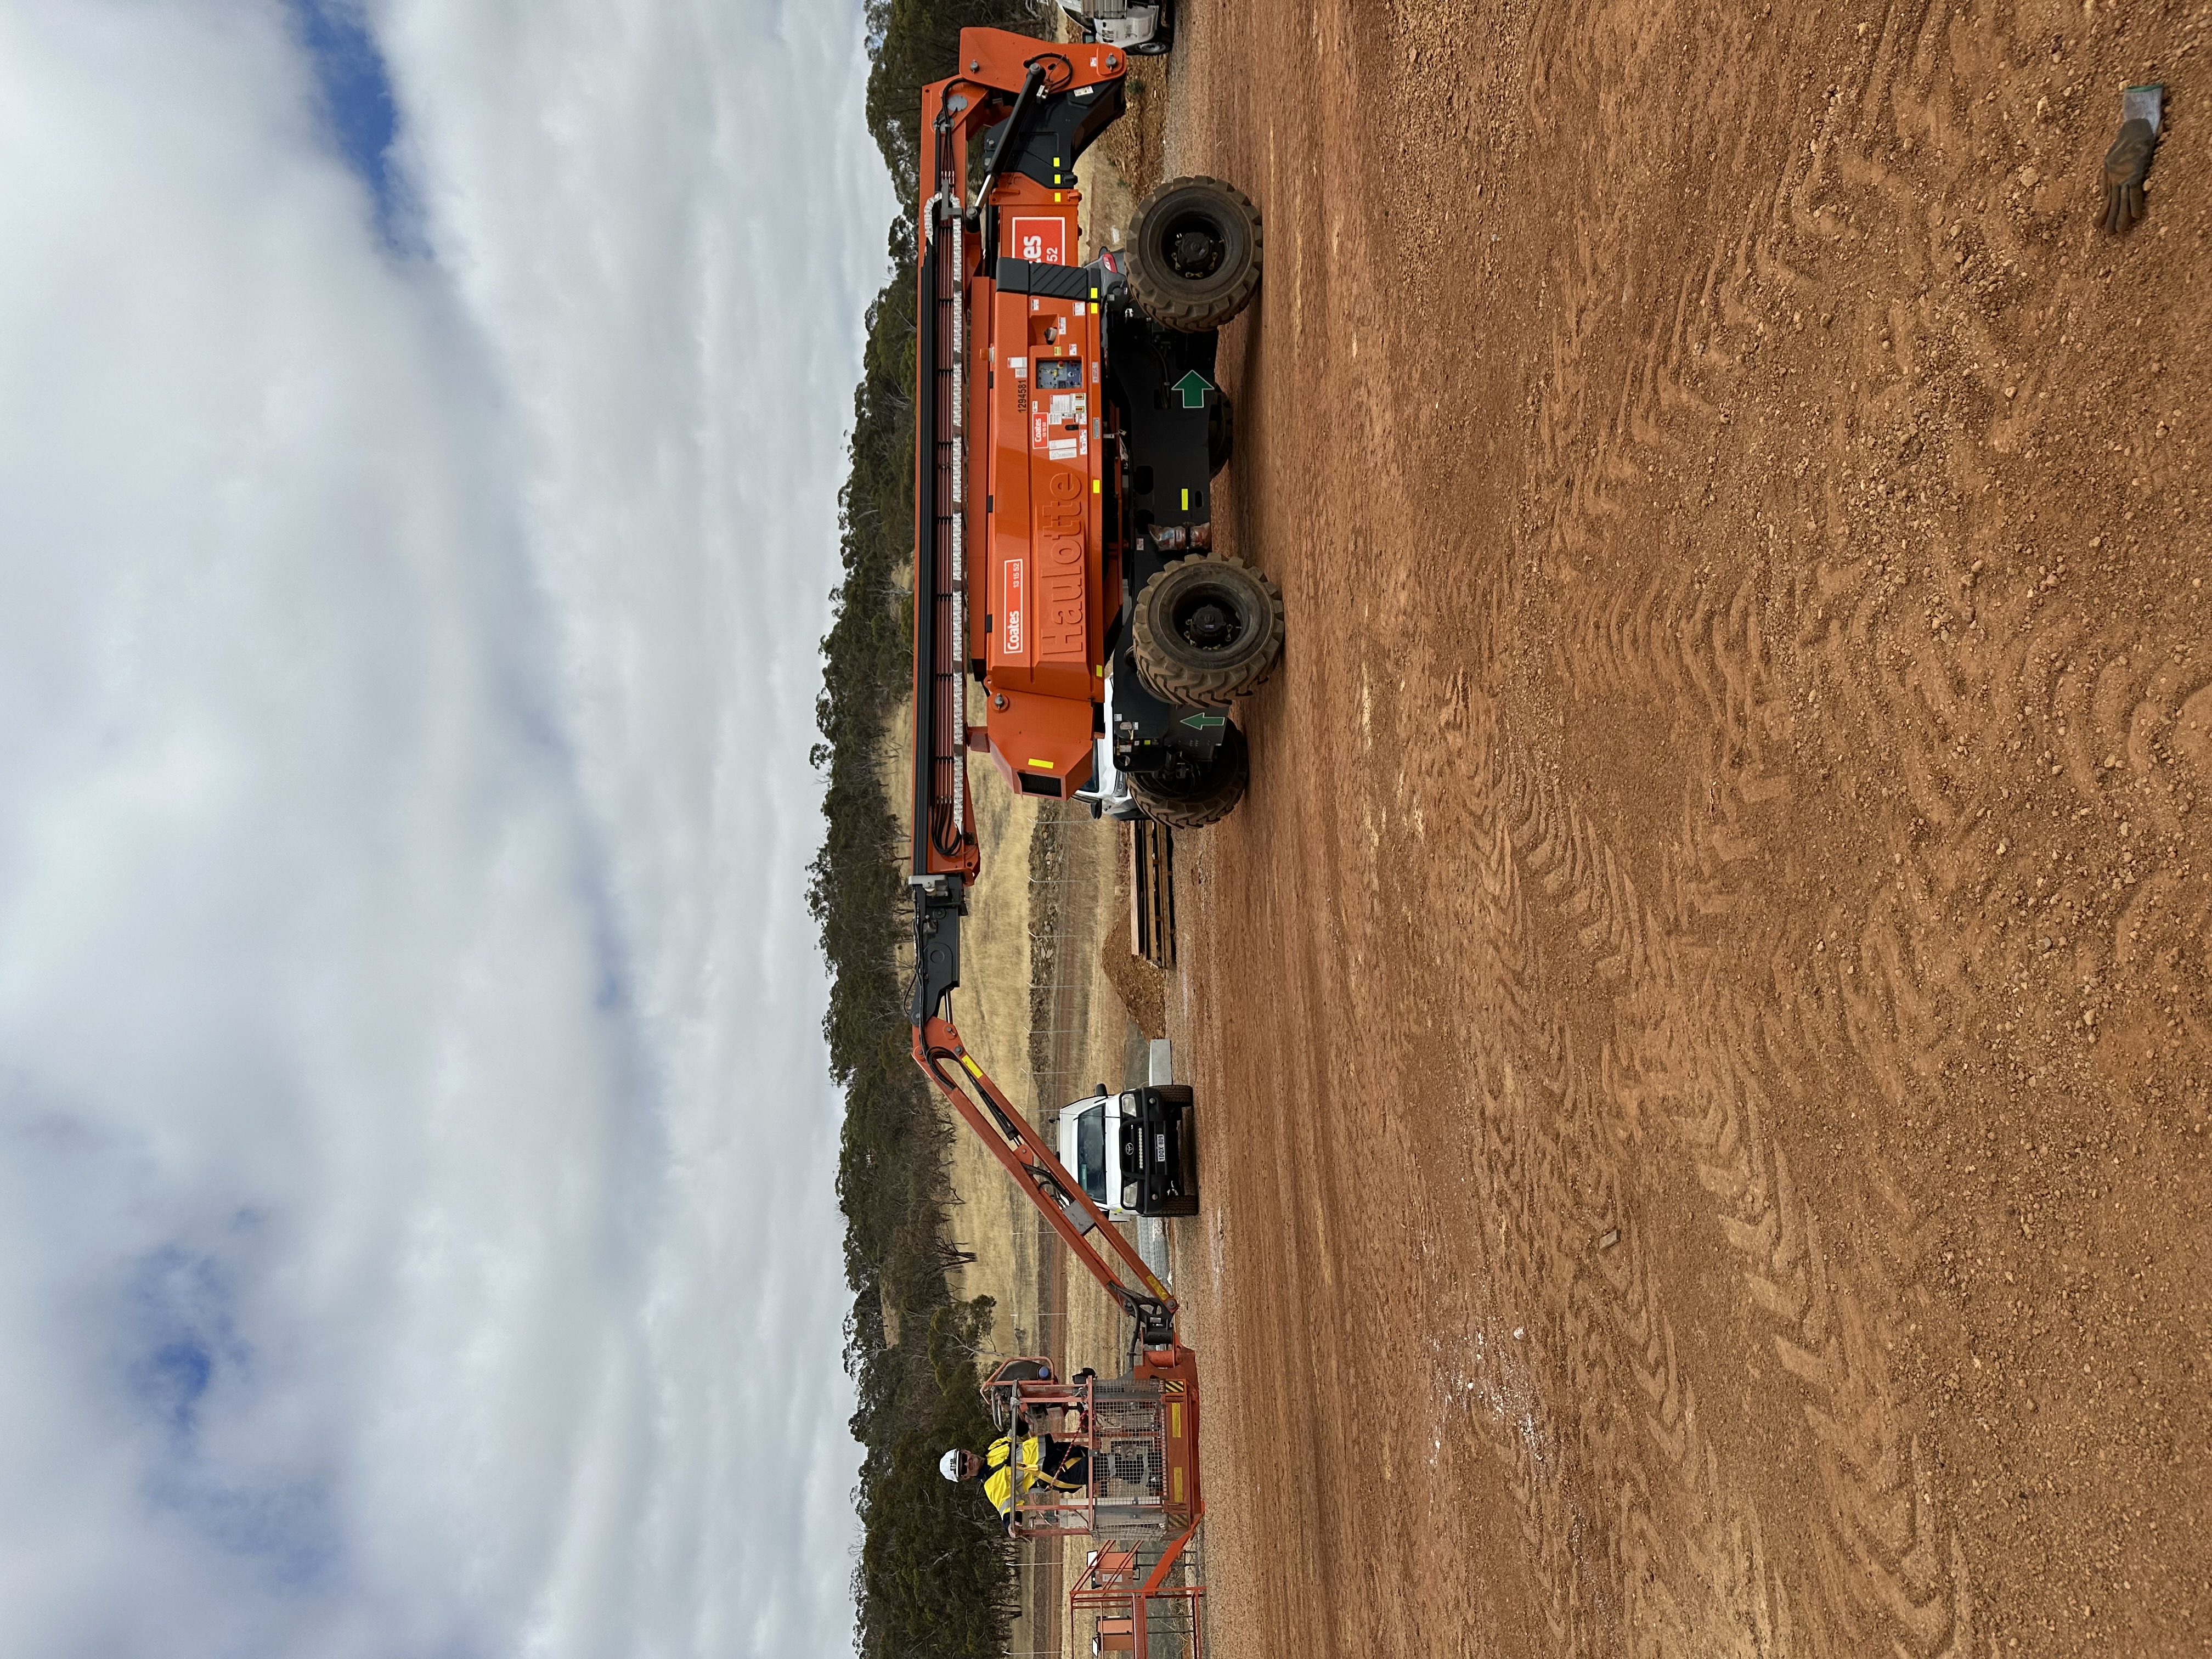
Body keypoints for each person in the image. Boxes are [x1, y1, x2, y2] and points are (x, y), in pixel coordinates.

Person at [938, 1428, 1090, 1533]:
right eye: (963, 1469)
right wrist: (1010, 1524)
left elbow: (1018, 1434)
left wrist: (1014, 1407)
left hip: (1059, 1450)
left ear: (966, 1452)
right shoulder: (992, 1486)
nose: (967, 1463)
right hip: (1058, 1473)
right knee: (1103, 1465)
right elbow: (1006, 1507)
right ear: (965, 1477)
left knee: (1100, 1458)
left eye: (963, 1459)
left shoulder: (994, 1448)